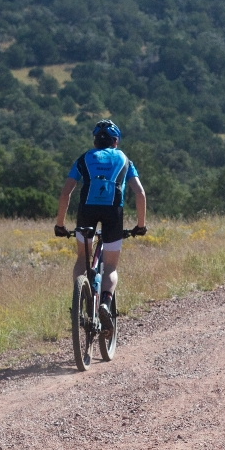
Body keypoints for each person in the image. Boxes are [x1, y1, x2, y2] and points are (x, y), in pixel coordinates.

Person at [54, 119, 147, 333]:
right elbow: (140, 193)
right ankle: (105, 302)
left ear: (95, 141)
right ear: (116, 141)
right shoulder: (125, 159)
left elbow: (65, 192)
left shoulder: (84, 158)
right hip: (113, 213)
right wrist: (140, 225)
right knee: (111, 266)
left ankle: (79, 303)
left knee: (81, 258)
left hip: (86, 211)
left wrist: (60, 225)